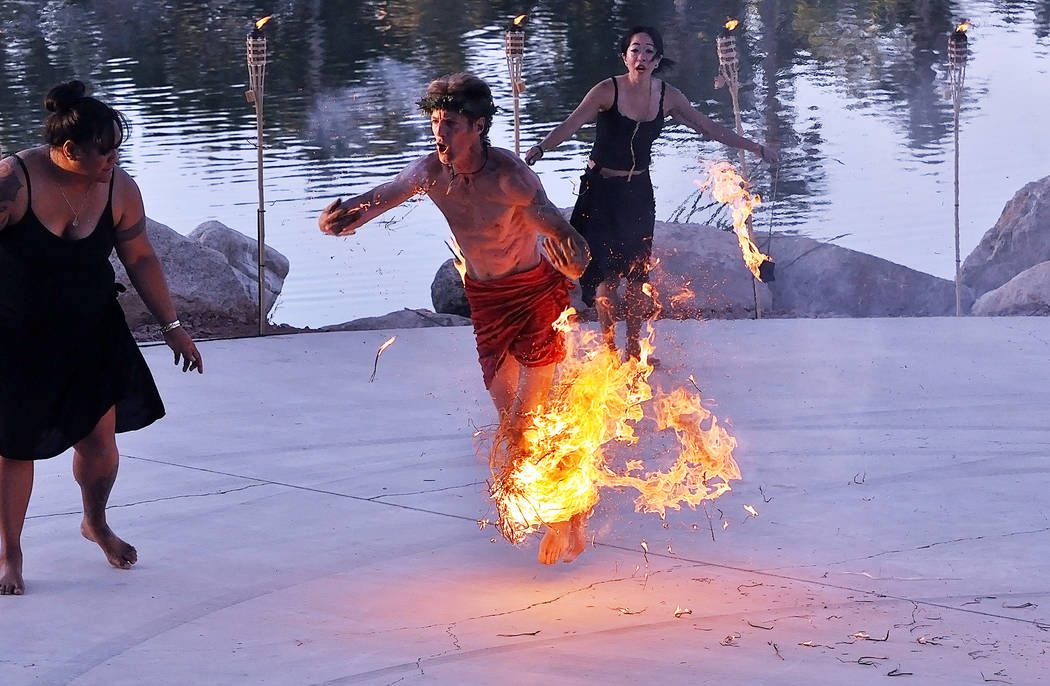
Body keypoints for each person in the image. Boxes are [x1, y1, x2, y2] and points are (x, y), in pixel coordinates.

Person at [319, 73, 591, 565]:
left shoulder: (512, 177)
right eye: (435, 123)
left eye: (449, 124)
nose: (439, 134)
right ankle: (573, 510)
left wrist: (574, 260)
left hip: (533, 297)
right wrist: (343, 218)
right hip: (485, 301)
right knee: (511, 425)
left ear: (478, 125)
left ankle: (564, 517)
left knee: (527, 422)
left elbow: (564, 234)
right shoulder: (431, 172)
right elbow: (384, 195)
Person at [0, 80, 204, 596]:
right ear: (69, 149)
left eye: (118, 149)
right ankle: (11, 555)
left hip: (92, 331)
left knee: (101, 445)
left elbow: (139, 257)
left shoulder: (119, 188)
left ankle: (95, 522)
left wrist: (173, 327)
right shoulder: (14, 181)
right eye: (105, 151)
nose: (115, 159)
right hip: (17, 334)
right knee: (13, 448)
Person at [526, 25, 779, 363]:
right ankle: (611, 352)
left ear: (657, 59)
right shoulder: (607, 90)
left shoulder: (667, 96)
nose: (641, 57)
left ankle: (633, 350)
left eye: (648, 51)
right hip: (600, 191)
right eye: (635, 50)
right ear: (625, 56)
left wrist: (756, 147)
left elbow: (709, 127)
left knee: (635, 277)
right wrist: (541, 148)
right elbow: (571, 124)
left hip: (638, 193)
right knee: (604, 277)